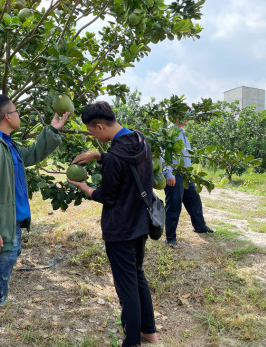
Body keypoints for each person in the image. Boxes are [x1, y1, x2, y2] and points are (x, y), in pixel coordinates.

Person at [0, 94, 69, 347]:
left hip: (10, 230)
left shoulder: (6, 145)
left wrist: (52, 131)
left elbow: (30, 155)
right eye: (16, 111)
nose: (19, 114)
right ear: (8, 116)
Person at [68, 101, 158, 346]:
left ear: (98, 126)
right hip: (141, 224)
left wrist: (85, 188)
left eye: (91, 131)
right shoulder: (139, 140)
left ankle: (132, 341)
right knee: (138, 276)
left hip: (120, 229)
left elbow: (107, 196)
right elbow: (126, 167)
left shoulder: (116, 155)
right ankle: (149, 331)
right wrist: (99, 155)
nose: (92, 135)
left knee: (126, 287)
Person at [162, 113, 216, 249]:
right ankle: (170, 238)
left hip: (185, 174)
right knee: (174, 206)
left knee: (194, 200)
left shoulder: (182, 132)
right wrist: (168, 173)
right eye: (185, 114)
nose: (188, 117)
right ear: (176, 115)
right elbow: (163, 154)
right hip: (174, 174)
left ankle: (200, 227)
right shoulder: (170, 132)